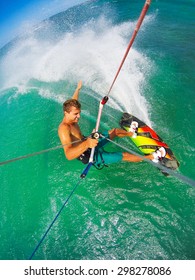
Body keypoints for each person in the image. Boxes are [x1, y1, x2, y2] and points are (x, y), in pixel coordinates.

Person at [58, 81, 166, 167]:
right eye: (76, 114)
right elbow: (68, 155)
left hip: (89, 141)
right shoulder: (64, 129)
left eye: (79, 113)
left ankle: (132, 134)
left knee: (115, 131)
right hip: (89, 154)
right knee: (124, 155)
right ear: (66, 113)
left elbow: (73, 101)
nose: (79, 116)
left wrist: (78, 88)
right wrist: (87, 144)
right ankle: (154, 158)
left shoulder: (70, 112)